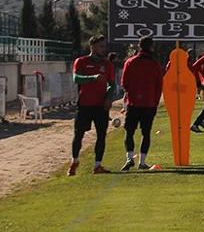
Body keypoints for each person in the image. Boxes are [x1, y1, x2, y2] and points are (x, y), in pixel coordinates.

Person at [68, 35, 115, 176]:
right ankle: (74, 161)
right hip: (84, 104)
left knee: (101, 135)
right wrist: (92, 78)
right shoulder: (81, 61)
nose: (103, 49)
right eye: (100, 46)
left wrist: (109, 98)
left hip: (101, 106)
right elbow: (76, 78)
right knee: (78, 135)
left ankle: (97, 165)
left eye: (104, 46)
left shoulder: (108, 65)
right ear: (92, 46)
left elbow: (112, 84)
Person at [120, 36, 164, 171]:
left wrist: (130, 95)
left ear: (139, 46)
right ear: (151, 47)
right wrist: (155, 102)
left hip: (133, 103)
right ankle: (142, 161)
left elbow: (124, 83)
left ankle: (129, 158)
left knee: (129, 132)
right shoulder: (155, 64)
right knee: (146, 133)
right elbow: (159, 86)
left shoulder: (130, 62)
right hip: (149, 103)